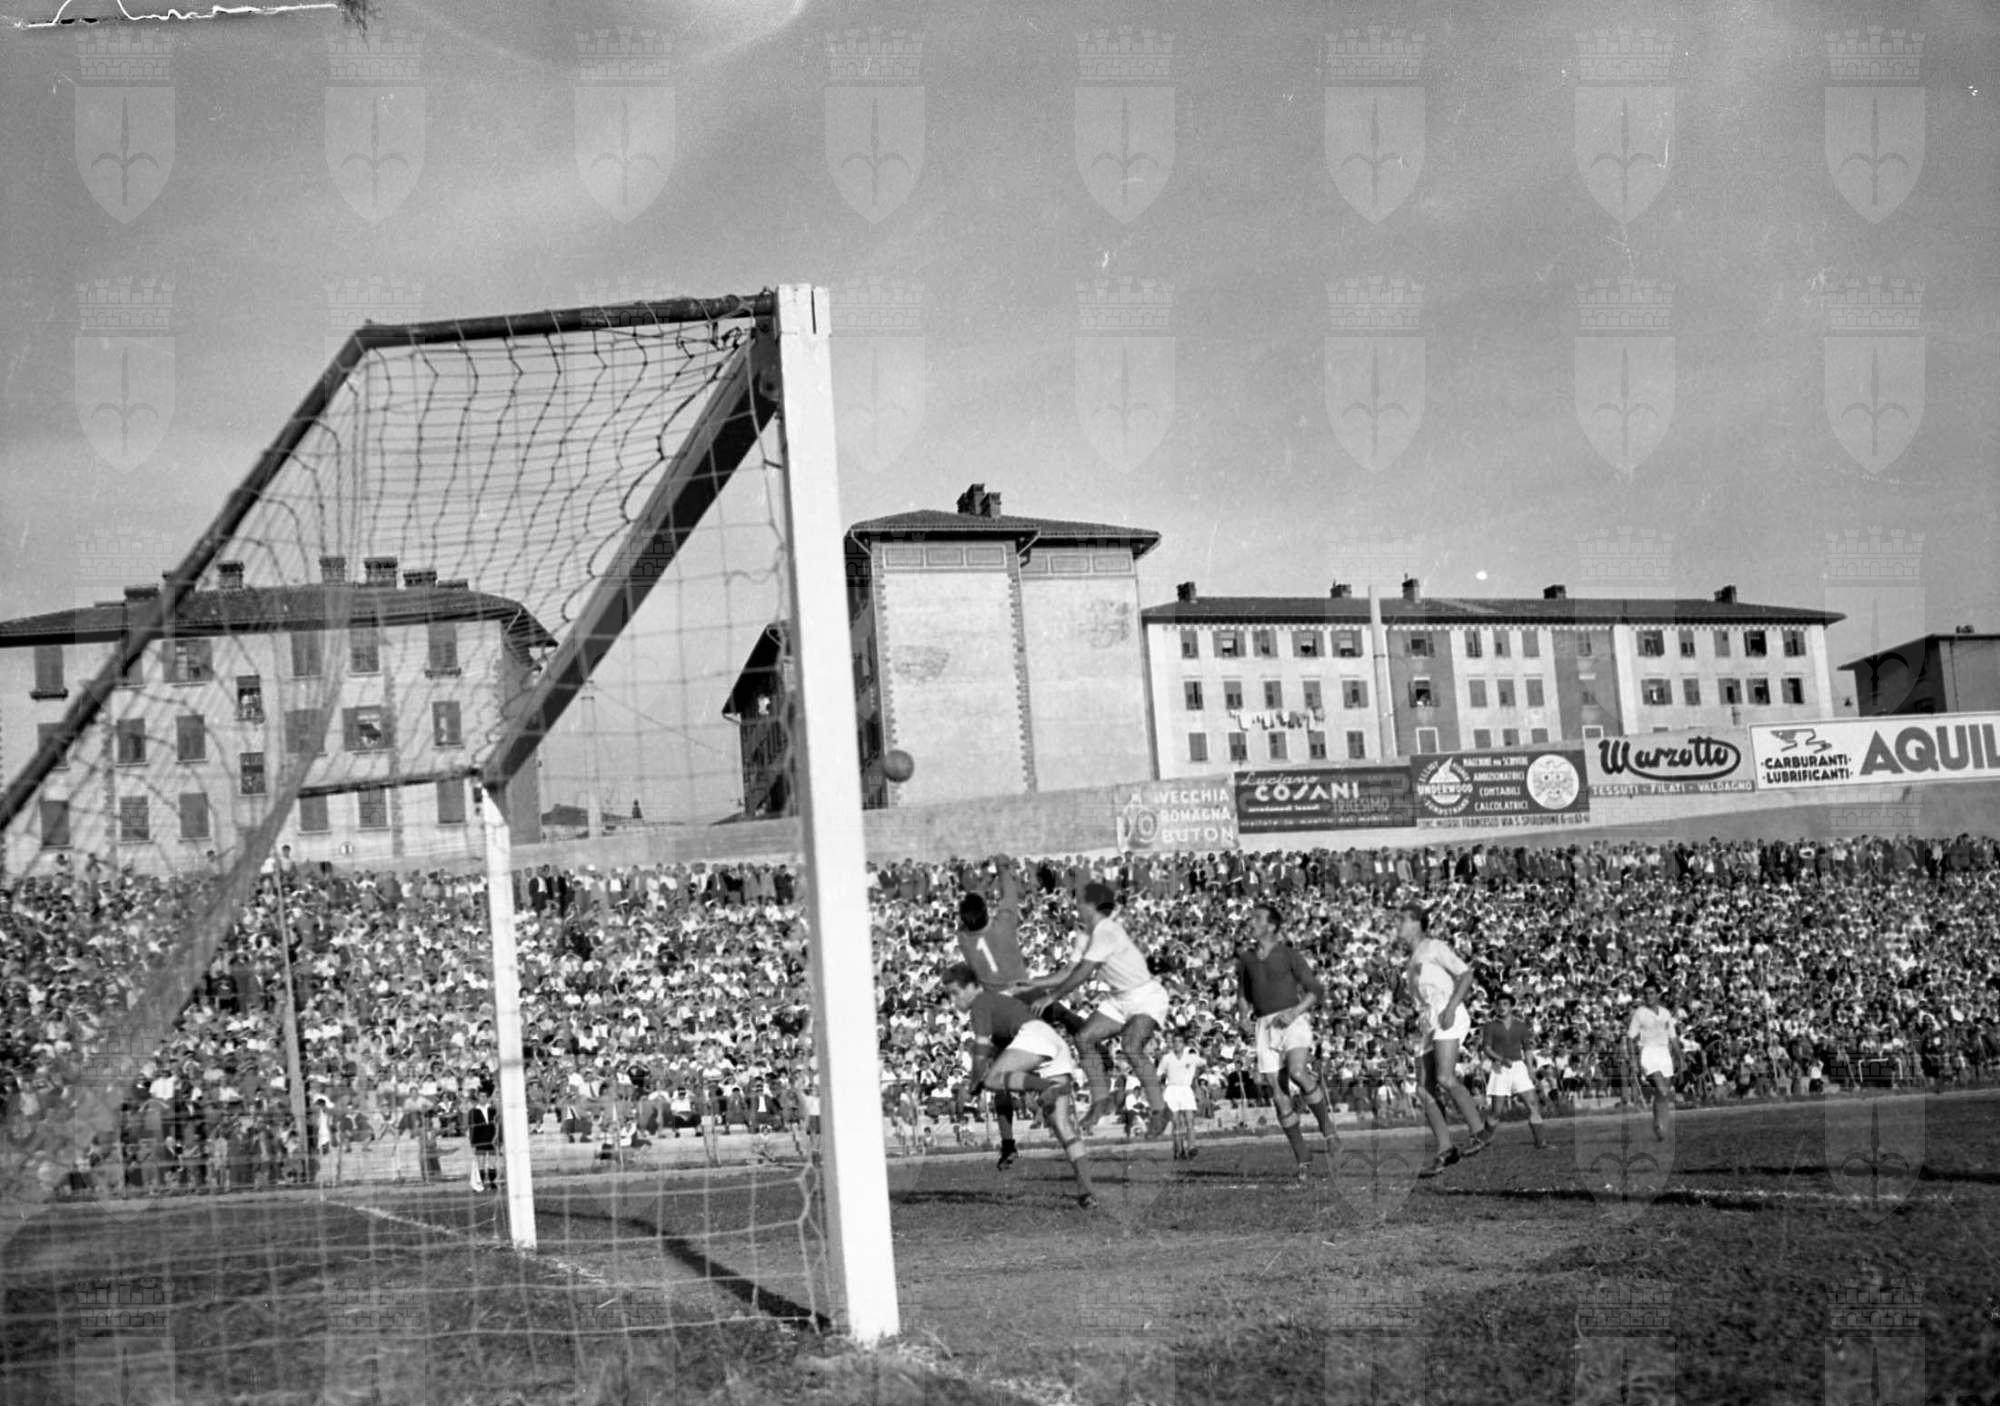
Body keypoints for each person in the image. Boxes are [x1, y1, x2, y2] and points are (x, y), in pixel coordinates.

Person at [1011, 881, 1171, 1138]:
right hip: (1119, 998)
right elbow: (1068, 972)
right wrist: (1033, 983)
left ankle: (1159, 1109)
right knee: (1083, 1037)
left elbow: (1083, 974)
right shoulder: (1085, 935)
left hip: (1146, 997)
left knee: (1131, 1046)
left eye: (1081, 902)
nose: (1076, 907)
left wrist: (1051, 997)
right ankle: (1100, 1100)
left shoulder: (1106, 933)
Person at [944, 963, 1096, 1208]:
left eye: (955, 992)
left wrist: (974, 1083)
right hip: (1054, 1044)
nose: (953, 1000)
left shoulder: (980, 1003)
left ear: (972, 986)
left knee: (993, 1079)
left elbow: (981, 1052)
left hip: (1035, 1037)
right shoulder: (1000, 1003)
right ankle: (1087, 1193)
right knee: (1062, 1127)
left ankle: (1045, 1088)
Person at [956, 883, 1085, 1170]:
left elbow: (967, 927)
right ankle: (1073, 1025)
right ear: (986, 913)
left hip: (1001, 1011)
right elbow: (1009, 892)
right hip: (1024, 998)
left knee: (997, 1080)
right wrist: (1001, 872)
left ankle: (1008, 1144)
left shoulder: (963, 939)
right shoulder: (1002, 926)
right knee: (1042, 1000)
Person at [1234, 902, 1342, 1181]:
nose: (1251, 922)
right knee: (1278, 1095)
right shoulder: (1246, 959)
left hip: (1293, 1019)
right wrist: (1243, 1015)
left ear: (1271, 926)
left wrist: (1294, 1012)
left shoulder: (1289, 954)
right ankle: (1303, 1158)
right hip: (1264, 1025)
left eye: (1257, 918)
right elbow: (1243, 994)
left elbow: (1315, 990)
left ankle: (1328, 1129)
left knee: (1297, 1072)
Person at [1403, 906, 1494, 1178]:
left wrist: (1452, 1007)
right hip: (1427, 1020)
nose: (1397, 926)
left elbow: (1466, 974)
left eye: (1403, 920)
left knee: (1444, 1076)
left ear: (1417, 925)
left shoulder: (1434, 946)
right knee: (1423, 1089)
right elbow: (1420, 998)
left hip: (1447, 1011)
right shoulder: (1411, 959)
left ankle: (1480, 1131)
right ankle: (1446, 1149)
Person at [1476, 988, 1549, 1149]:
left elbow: (1527, 1049)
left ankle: (1541, 1142)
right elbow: (1486, 1049)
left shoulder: (1521, 1026)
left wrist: (1530, 1070)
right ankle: (1483, 1141)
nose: (1501, 1007)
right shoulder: (1490, 1026)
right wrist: (1501, 1059)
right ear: (1495, 1007)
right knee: (1496, 1112)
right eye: (1499, 1004)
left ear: (1511, 1006)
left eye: (1505, 1004)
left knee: (1532, 1105)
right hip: (1499, 1069)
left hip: (1519, 1068)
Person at [1625, 979, 1682, 1142]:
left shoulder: (1665, 1013)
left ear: (1657, 995)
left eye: (1651, 993)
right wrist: (1633, 1060)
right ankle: (1659, 1124)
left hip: (1664, 1053)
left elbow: (1673, 1037)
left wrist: (1680, 1057)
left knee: (1663, 1093)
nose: (1648, 996)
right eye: (1646, 994)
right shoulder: (1640, 1013)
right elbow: (1630, 1038)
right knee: (1662, 1090)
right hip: (1648, 1053)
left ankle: (1659, 1124)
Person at [1157, 1037, 1204, 1160]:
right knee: (1176, 1122)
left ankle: (1191, 1147)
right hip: (1172, 1090)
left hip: (1186, 1090)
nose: (1177, 1044)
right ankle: (1179, 1149)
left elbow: (1204, 1063)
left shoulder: (1191, 1057)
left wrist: (1195, 1075)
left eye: (1180, 1042)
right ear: (1172, 1044)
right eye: (1175, 1042)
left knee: (1189, 1120)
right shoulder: (1167, 1058)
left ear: (1184, 1044)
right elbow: (1158, 1074)